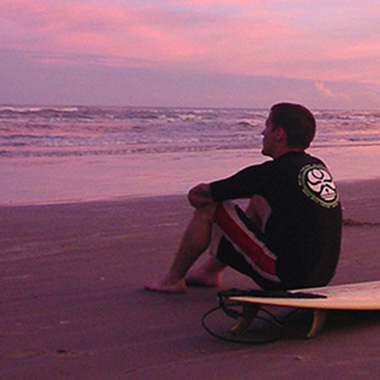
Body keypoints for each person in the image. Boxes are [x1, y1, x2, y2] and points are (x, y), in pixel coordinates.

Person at [144, 103, 342, 293]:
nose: (263, 133)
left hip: (284, 277)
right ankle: (209, 272)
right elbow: (282, 192)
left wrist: (220, 196)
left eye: (267, 127)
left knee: (208, 208)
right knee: (258, 199)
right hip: (319, 276)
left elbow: (197, 196)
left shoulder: (267, 174)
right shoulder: (316, 166)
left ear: (279, 134)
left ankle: (172, 280)